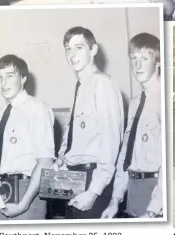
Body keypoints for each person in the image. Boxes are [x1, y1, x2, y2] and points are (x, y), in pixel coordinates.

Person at [51, 26, 125, 219]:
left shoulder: (103, 85)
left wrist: (94, 192)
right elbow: (75, 138)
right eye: (68, 48)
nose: (72, 54)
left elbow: (110, 147)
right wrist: (60, 161)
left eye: (79, 47)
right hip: (74, 179)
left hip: (93, 181)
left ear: (93, 50)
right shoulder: (81, 87)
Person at [0, 54, 55, 220]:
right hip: (1, 189)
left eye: (10, 76)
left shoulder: (38, 109)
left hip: (27, 190)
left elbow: (45, 161)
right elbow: (1, 158)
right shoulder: (2, 113)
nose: (3, 83)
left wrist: (23, 204)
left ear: (24, 78)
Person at [101, 33, 162, 219]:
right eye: (133, 59)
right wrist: (115, 199)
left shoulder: (165, 100)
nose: (137, 65)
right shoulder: (135, 103)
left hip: (156, 193)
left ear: (158, 62)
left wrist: (153, 210)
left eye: (144, 58)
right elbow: (126, 156)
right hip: (133, 193)